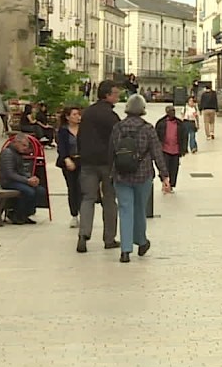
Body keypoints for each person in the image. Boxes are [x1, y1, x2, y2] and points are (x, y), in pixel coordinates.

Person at [109, 94, 170, 263]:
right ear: (143, 109)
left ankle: (125, 250)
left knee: (125, 210)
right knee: (140, 209)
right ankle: (141, 241)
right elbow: (157, 153)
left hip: (121, 174)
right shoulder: (147, 128)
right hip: (143, 174)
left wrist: (110, 173)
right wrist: (164, 175)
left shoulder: (118, 128)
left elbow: (112, 151)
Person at [77, 80, 122, 253]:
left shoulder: (87, 113)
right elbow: (118, 139)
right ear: (107, 95)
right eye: (116, 93)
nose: (118, 96)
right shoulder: (111, 116)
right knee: (109, 199)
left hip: (88, 162)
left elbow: (80, 136)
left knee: (88, 198)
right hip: (107, 163)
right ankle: (109, 238)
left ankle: (83, 234)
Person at [0, 133, 40, 225]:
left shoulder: (17, 153)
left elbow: (21, 171)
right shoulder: (7, 153)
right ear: (16, 142)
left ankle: (25, 213)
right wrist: (27, 181)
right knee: (29, 192)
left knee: (40, 190)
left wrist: (31, 178)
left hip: (16, 180)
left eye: (26, 146)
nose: (25, 148)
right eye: (23, 145)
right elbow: (9, 174)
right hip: (7, 182)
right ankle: (17, 214)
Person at [55, 106, 83, 229]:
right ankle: (74, 214)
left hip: (82, 161)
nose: (77, 117)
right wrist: (67, 159)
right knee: (72, 188)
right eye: (74, 114)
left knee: (82, 187)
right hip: (68, 161)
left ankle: (84, 212)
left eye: (78, 114)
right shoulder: (63, 131)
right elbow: (61, 147)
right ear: (67, 117)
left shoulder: (84, 129)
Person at [155, 104, 188, 192]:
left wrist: (184, 149)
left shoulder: (179, 123)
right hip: (164, 149)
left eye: (173, 111)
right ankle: (164, 183)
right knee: (164, 168)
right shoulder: (161, 123)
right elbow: (156, 136)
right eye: (170, 111)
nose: (172, 113)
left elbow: (184, 136)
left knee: (174, 169)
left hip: (176, 149)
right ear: (167, 112)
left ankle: (171, 185)